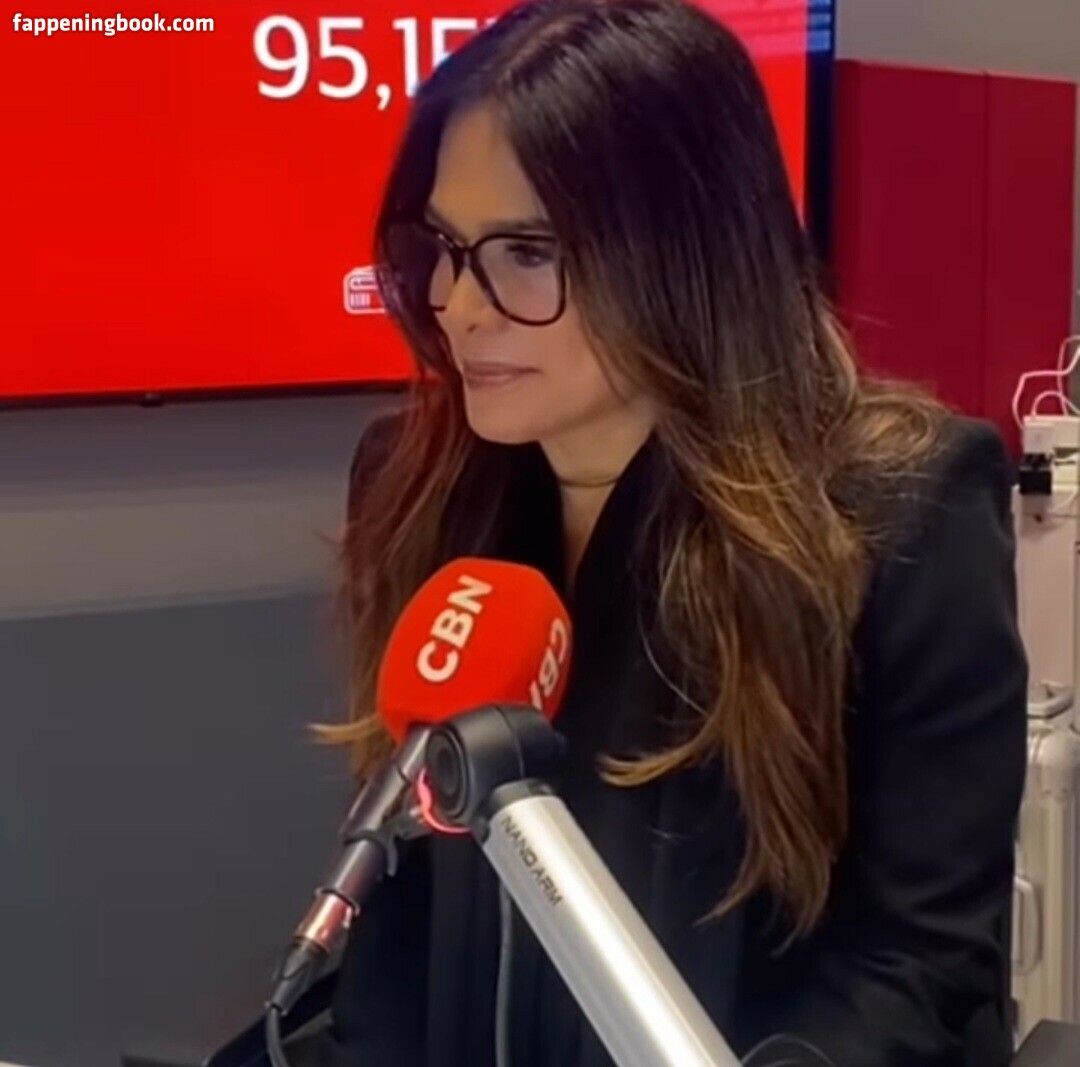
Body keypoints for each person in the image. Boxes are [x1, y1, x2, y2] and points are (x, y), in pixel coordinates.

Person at [319, 2, 1028, 1065]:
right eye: (445, 249)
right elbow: (399, 921)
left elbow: (917, 970)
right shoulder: (418, 485)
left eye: (525, 251)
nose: (459, 304)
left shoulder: (901, 509)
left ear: (685, 252)